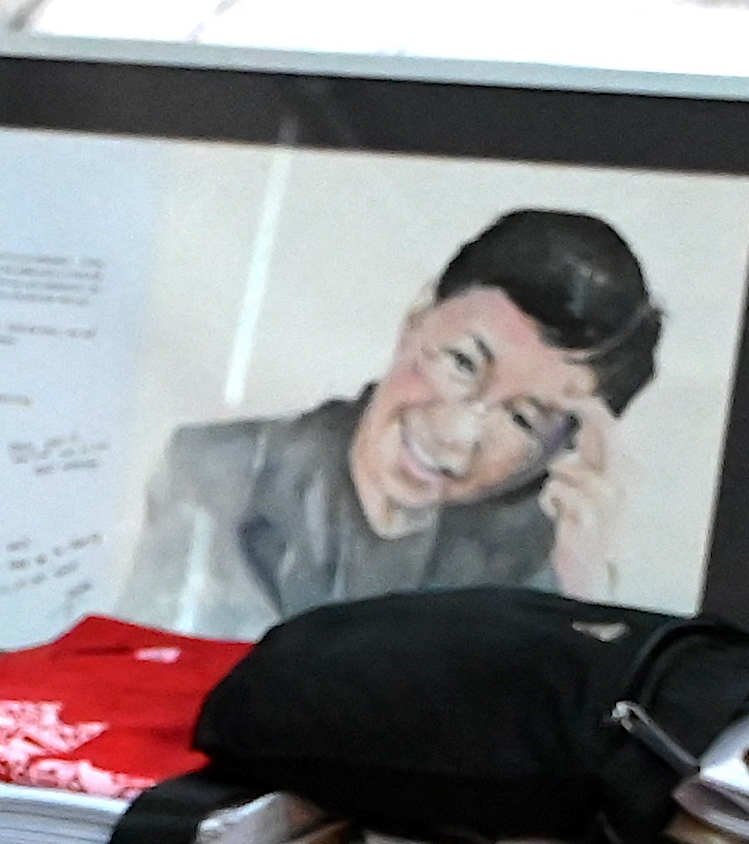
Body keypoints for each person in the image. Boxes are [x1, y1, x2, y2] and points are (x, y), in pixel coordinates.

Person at [116, 205, 661, 633]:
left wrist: (585, 590)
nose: (458, 437)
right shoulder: (214, 472)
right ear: (417, 317)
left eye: (522, 419)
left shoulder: (538, 565)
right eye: (462, 362)